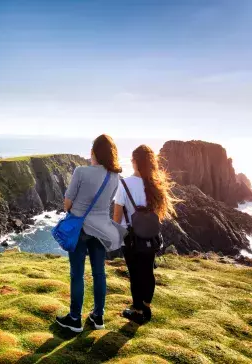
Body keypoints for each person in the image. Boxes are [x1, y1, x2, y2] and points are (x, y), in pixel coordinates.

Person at [55, 134, 126, 333]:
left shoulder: (81, 171)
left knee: (77, 274)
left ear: (93, 152)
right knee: (99, 273)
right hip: (101, 229)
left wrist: (75, 208)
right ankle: (98, 316)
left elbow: (67, 204)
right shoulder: (115, 176)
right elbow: (108, 203)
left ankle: (75, 318)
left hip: (80, 229)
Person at [113, 145, 176, 324]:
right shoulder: (155, 185)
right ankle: (146, 306)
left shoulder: (124, 184)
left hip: (130, 238)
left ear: (134, 162)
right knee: (148, 272)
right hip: (150, 237)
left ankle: (137, 310)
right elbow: (158, 214)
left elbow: (116, 217)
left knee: (135, 274)